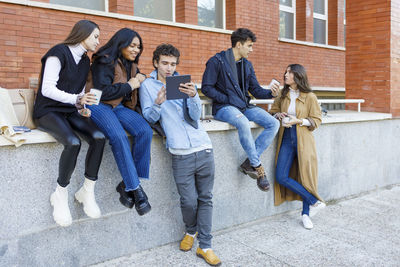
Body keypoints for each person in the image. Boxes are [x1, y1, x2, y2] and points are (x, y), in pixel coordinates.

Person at [140, 44, 221, 266]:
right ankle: (191, 230)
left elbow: (195, 116)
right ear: (156, 62)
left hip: (203, 147)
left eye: (173, 64)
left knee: (206, 198)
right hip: (179, 152)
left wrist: (194, 96)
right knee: (188, 200)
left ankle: (205, 246)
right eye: (165, 63)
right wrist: (158, 103)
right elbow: (148, 117)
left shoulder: (185, 83)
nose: (169, 68)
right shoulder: (147, 86)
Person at [33, 20, 105, 227]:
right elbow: (47, 89)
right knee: (73, 142)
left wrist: (82, 106)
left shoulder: (84, 61)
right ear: (83, 34)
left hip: (68, 110)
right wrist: (76, 99)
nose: (98, 42)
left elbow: (79, 93)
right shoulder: (58, 53)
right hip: (47, 111)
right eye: (96, 36)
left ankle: (87, 191)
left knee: (99, 138)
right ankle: (60, 194)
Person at [201, 28, 280, 192]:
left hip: (244, 106)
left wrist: (270, 93)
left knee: (273, 123)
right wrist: (227, 99)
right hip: (224, 108)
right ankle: (258, 168)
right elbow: (207, 88)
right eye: (249, 46)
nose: (251, 49)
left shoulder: (247, 65)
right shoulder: (216, 61)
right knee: (243, 123)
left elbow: (256, 90)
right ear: (238, 44)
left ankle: (249, 162)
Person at [88, 28, 152, 216]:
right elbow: (102, 92)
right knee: (118, 136)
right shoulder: (104, 59)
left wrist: (140, 77)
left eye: (138, 47)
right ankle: (137, 190)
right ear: (121, 43)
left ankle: (125, 184)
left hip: (118, 107)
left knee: (144, 131)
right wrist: (131, 84)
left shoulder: (130, 64)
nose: (136, 50)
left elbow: (138, 77)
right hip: (98, 104)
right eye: (132, 45)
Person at [269, 64, 326, 230]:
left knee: (305, 177)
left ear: (297, 75)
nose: (285, 74)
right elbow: (273, 111)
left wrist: (298, 121)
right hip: (286, 138)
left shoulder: (310, 97)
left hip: (304, 140)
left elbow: (317, 120)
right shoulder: (283, 94)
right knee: (281, 176)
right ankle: (314, 201)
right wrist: (278, 115)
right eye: (285, 71)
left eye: (289, 72)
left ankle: (305, 214)